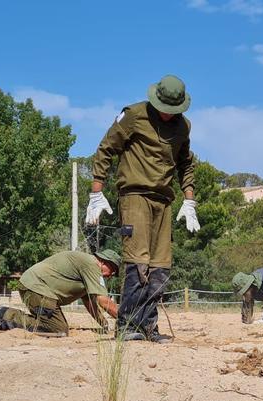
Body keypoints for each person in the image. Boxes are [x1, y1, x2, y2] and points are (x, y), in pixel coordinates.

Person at [85, 74, 199, 344]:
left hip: (164, 200)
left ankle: (149, 326)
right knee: (137, 261)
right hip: (134, 194)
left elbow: (186, 163)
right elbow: (105, 149)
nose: (169, 115)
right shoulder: (133, 115)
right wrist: (96, 190)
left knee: (160, 265)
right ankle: (127, 325)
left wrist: (189, 198)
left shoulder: (184, 127)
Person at [0, 249, 122, 336]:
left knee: (55, 327)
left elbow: (89, 301)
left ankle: (7, 315)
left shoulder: (87, 266)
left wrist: (103, 323)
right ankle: (6, 315)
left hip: (33, 287)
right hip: (37, 289)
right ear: (105, 262)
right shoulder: (92, 266)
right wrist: (126, 320)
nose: (111, 276)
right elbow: (103, 300)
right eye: (113, 271)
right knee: (58, 329)